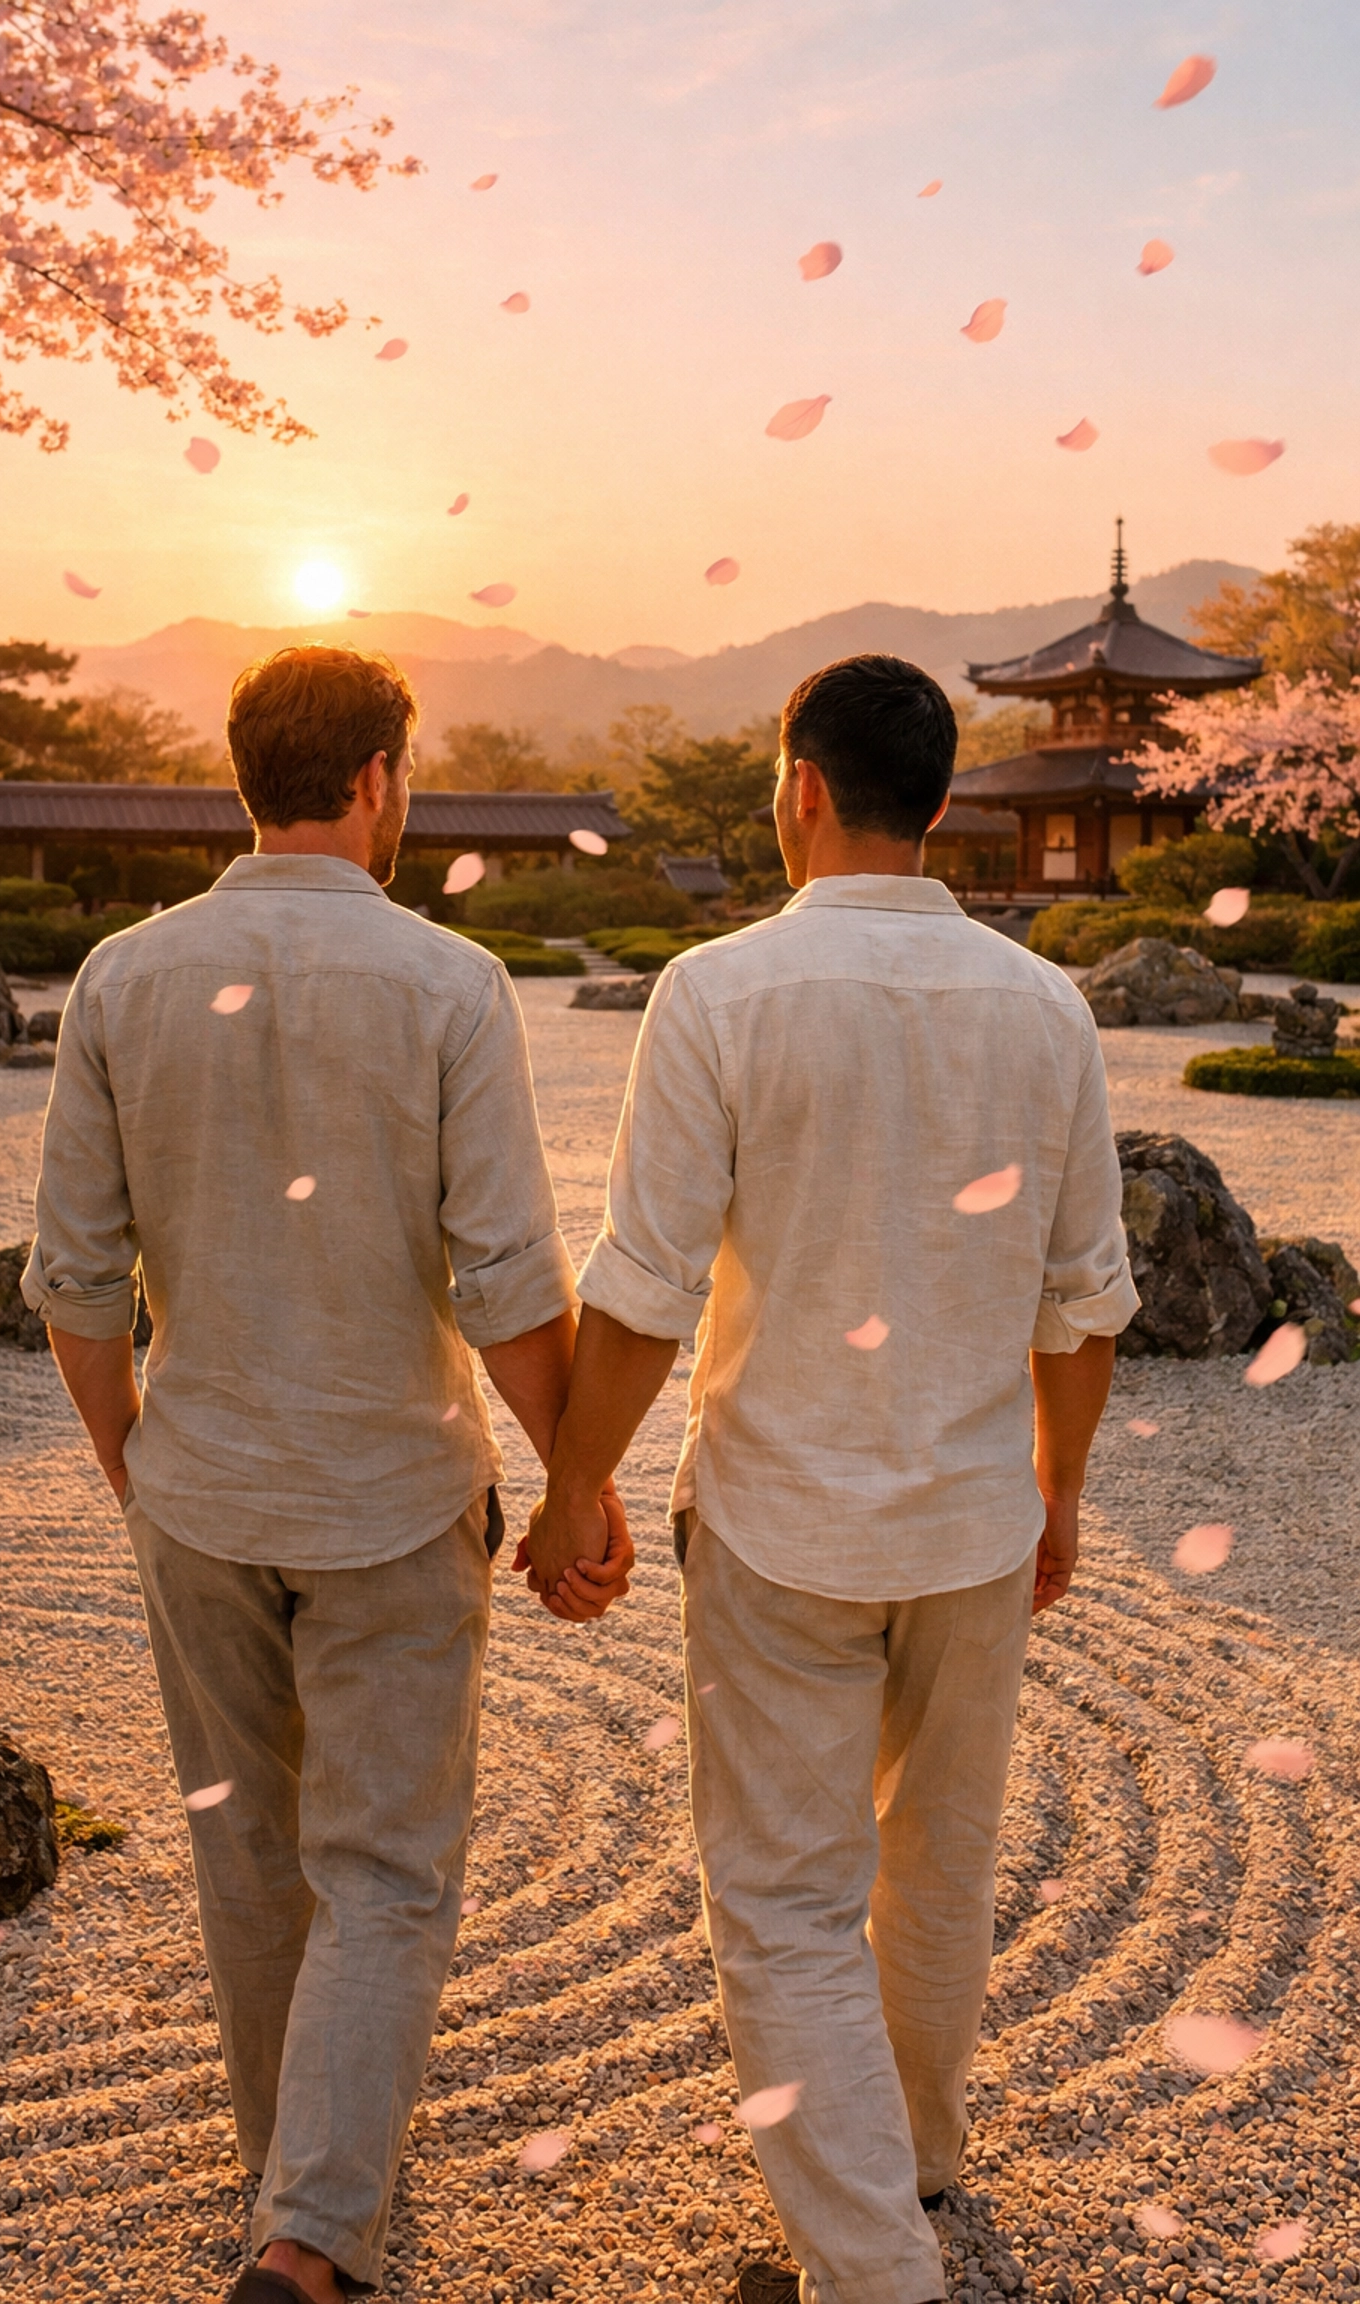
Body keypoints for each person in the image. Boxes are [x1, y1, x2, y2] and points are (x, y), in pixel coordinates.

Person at [22, 645, 631, 2304]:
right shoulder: (444, 983)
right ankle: (311, 2231)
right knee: (386, 1866)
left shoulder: (121, 979)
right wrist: (574, 1488)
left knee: (253, 1857)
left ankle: (291, 2184)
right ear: (376, 780)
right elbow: (510, 1286)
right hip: (388, 1493)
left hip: (201, 1487)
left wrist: (131, 1464)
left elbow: (74, 1282)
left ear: (250, 780)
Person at [527, 653, 1138, 2304]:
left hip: (784, 1518)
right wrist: (1059, 1487)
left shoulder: (721, 995)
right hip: (968, 1522)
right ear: (939, 804)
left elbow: (644, 1290)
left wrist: (575, 1487)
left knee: (787, 1904)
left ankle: (874, 2263)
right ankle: (918, 2162)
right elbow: (1085, 1298)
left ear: (800, 788)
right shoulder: (1046, 1008)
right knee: (941, 1863)